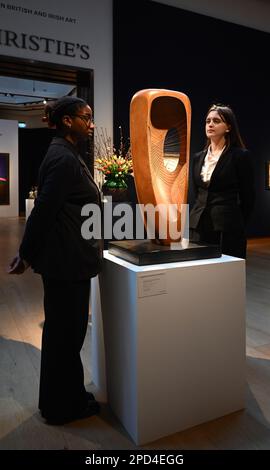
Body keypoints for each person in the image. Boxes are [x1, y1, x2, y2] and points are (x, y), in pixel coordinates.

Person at [8, 96, 102, 425]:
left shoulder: (64, 153)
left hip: (67, 261)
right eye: (86, 118)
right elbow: (44, 211)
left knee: (65, 335)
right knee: (65, 336)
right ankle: (63, 407)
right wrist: (26, 253)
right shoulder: (63, 158)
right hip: (66, 263)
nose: (91, 124)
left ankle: (66, 398)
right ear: (67, 121)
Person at [189, 103, 255, 259]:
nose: (210, 124)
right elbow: (197, 193)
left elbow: (249, 197)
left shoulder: (240, 156)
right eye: (208, 121)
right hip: (198, 226)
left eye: (216, 121)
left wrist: (236, 223)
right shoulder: (198, 157)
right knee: (198, 274)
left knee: (225, 278)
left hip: (227, 228)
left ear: (228, 127)